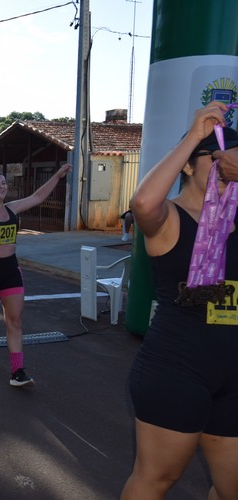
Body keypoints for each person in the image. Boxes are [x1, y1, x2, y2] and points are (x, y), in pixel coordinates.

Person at [121, 102, 238, 499]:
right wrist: (192, 137)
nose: (225, 165)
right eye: (214, 156)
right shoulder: (170, 217)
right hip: (177, 371)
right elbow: (143, 205)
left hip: (233, 375)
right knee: (156, 480)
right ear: (189, 164)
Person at [0, 164, 71, 387]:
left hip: (10, 270)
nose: (2, 186)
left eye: (4, 183)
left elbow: (38, 196)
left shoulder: (12, 208)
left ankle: (17, 371)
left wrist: (57, 175)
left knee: (15, 321)